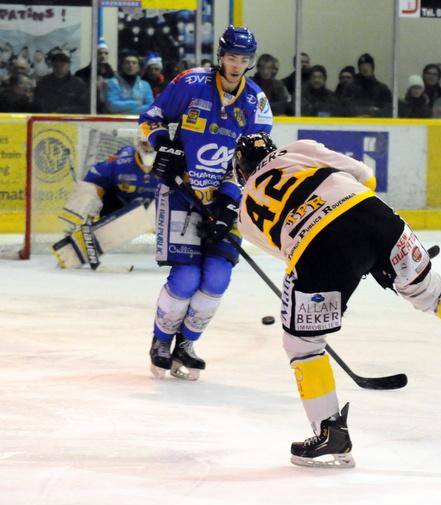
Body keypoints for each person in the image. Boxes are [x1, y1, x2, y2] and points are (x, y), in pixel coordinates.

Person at [232, 133, 441, 468]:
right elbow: (366, 177)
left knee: (303, 343)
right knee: (431, 291)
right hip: (373, 217)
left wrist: (350, 260)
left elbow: (286, 249)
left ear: (241, 172)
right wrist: (368, 247)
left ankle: (331, 433)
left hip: (317, 246)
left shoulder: (245, 216)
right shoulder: (299, 149)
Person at [139, 25, 273, 381]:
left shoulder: (256, 102)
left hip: (224, 199)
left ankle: (187, 344)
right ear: (221, 56)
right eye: (231, 57)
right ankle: (161, 342)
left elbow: (252, 165)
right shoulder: (191, 83)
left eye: (243, 59)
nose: (236, 65)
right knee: (185, 277)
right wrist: (164, 146)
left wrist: (229, 202)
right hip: (181, 193)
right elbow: (150, 118)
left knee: (216, 276)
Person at [51, 133, 158, 269]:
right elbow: (93, 178)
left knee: (160, 207)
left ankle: (184, 254)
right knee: (86, 189)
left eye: (153, 143)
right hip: (120, 207)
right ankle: (72, 240)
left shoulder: (174, 162)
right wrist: (91, 201)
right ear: (137, 143)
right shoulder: (121, 161)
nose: (149, 148)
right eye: (145, 143)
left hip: (160, 212)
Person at [33, 48, 89, 113]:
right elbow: (36, 105)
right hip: (46, 118)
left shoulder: (79, 84)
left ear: (69, 65)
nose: (59, 68)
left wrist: (63, 112)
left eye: (62, 65)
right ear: (52, 66)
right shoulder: (43, 83)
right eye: (56, 65)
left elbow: (85, 107)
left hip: (70, 119)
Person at [348, 53, 392, 117]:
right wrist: (369, 110)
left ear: (372, 68)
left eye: (368, 65)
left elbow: (388, 109)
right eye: (362, 65)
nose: (365, 68)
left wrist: (374, 114)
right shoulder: (351, 88)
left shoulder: (382, 89)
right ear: (359, 68)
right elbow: (347, 107)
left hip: (376, 122)